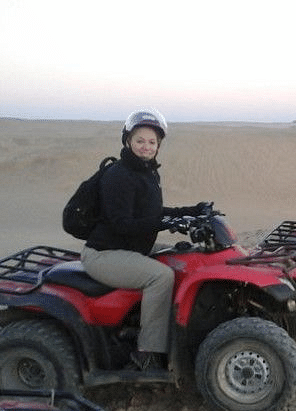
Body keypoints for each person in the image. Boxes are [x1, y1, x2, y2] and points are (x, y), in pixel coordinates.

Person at [81, 109, 208, 371]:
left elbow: (153, 214)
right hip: (105, 254)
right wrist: (166, 223)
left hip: (131, 249)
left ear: (159, 145)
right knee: (161, 277)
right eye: (140, 141)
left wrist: (191, 211)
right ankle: (147, 353)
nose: (146, 147)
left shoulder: (147, 173)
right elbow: (122, 224)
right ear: (128, 141)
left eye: (152, 142)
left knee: (184, 259)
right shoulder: (119, 175)